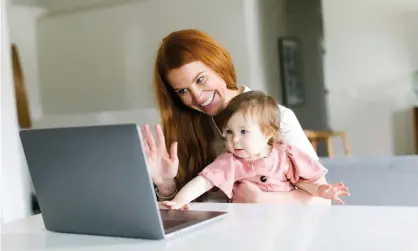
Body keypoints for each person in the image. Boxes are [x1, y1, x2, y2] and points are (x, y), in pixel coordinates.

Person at [141, 29, 329, 205]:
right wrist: (166, 185)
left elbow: (322, 200)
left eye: (200, 79)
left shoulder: (279, 118)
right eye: (183, 91)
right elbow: (182, 209)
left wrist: (261, 199)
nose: (197, 96)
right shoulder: (187, 126)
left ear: (219, 65)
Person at [160, 91, 349, 209]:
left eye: (243, 131)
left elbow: (305, 182)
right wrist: (179, 200)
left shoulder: (286, 155)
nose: (235, 140)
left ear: (267, 132)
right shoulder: (230, 162)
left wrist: (322, 190)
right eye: (229, 132)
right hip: (246, 225)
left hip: (286, 220)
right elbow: (203, 182)